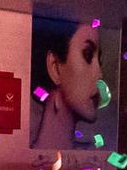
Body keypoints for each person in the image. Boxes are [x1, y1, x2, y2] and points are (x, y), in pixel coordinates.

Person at [30, 16, 105, 150]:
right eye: (88, 56)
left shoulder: (93, 159)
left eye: (99, 61)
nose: (100, 75)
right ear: (55, 68)